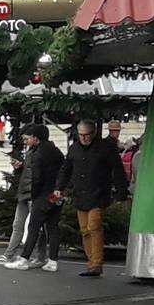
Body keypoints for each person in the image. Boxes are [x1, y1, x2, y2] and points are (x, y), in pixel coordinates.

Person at [59, 119, 129, 278]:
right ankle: (91, 263)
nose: (83, 138)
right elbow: (66, 169)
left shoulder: (105, 148)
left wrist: (121, 193)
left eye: (87, 135)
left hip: (98, 194)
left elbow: (117, 169)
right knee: (85, 230)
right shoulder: (74, 148)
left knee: (94, 227)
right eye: (81, 134)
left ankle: (96, 264)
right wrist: (59, 188)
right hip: (80, 194)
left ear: (93, 133)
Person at [0, 124, 65, 272]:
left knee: (33, 226)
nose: (25, 141)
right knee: (52, 227)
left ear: (35, 138)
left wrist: (35, 195)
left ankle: (24, 258)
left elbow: (37, 178)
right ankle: (53, 260)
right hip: (55, 193)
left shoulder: (38, 154)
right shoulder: (56, 151)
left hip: (42, 194)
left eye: (27, 138)